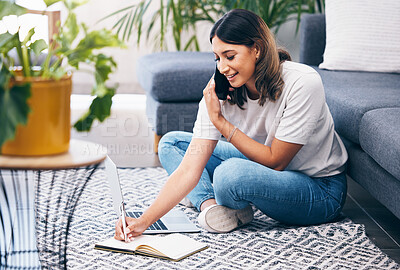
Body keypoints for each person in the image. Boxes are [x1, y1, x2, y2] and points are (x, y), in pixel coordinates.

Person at [115, 9, 348, 240]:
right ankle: (211, 208)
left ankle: (224, 197)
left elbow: (277, 161)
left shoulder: (302, 83)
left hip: (320, 190)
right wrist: (144, 221)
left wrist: (220, 122)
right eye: (217, 58)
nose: (222, 68)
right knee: (172, 143)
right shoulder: (221, 89)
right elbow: (188, 170)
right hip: (262, 168)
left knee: (230, 175)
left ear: (256, 49)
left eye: (230, 56)